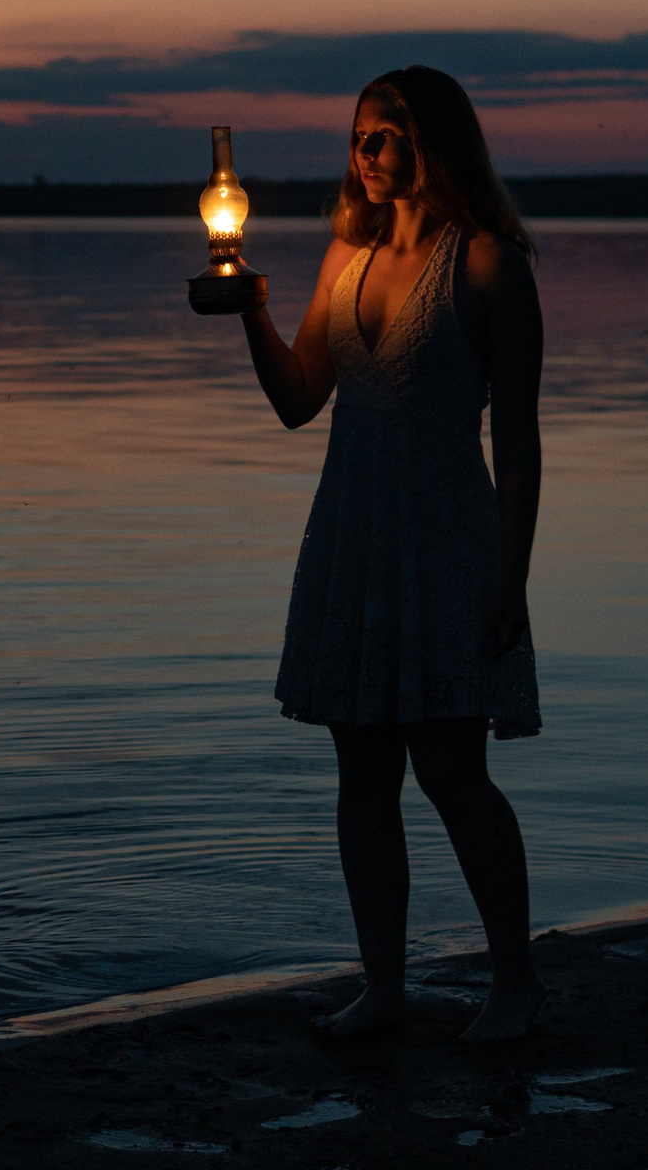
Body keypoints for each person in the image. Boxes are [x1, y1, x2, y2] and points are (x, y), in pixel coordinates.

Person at [232, 64, 547, 1042]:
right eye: (357, 137)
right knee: (361, 778)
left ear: (433, 142)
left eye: (384, 135)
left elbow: (523, 440)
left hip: (448, 542)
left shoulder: (489, 265)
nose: (364, 154)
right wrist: (247, 306)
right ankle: (384, 988)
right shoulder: (345, 260)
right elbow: (297, 403)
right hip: (352, 544)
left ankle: (515, 986)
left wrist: (511, 576)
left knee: (452, 772)